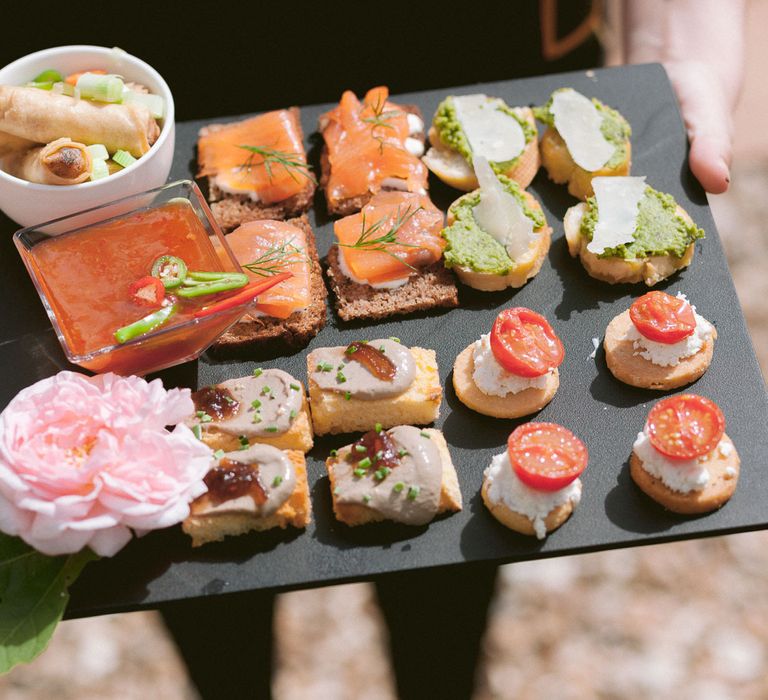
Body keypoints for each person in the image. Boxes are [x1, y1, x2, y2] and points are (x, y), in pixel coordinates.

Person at [160, 1, 746, 698]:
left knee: (448, 578)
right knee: (195, 562)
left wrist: (676, 44)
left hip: (468, 42)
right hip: (175, 74)